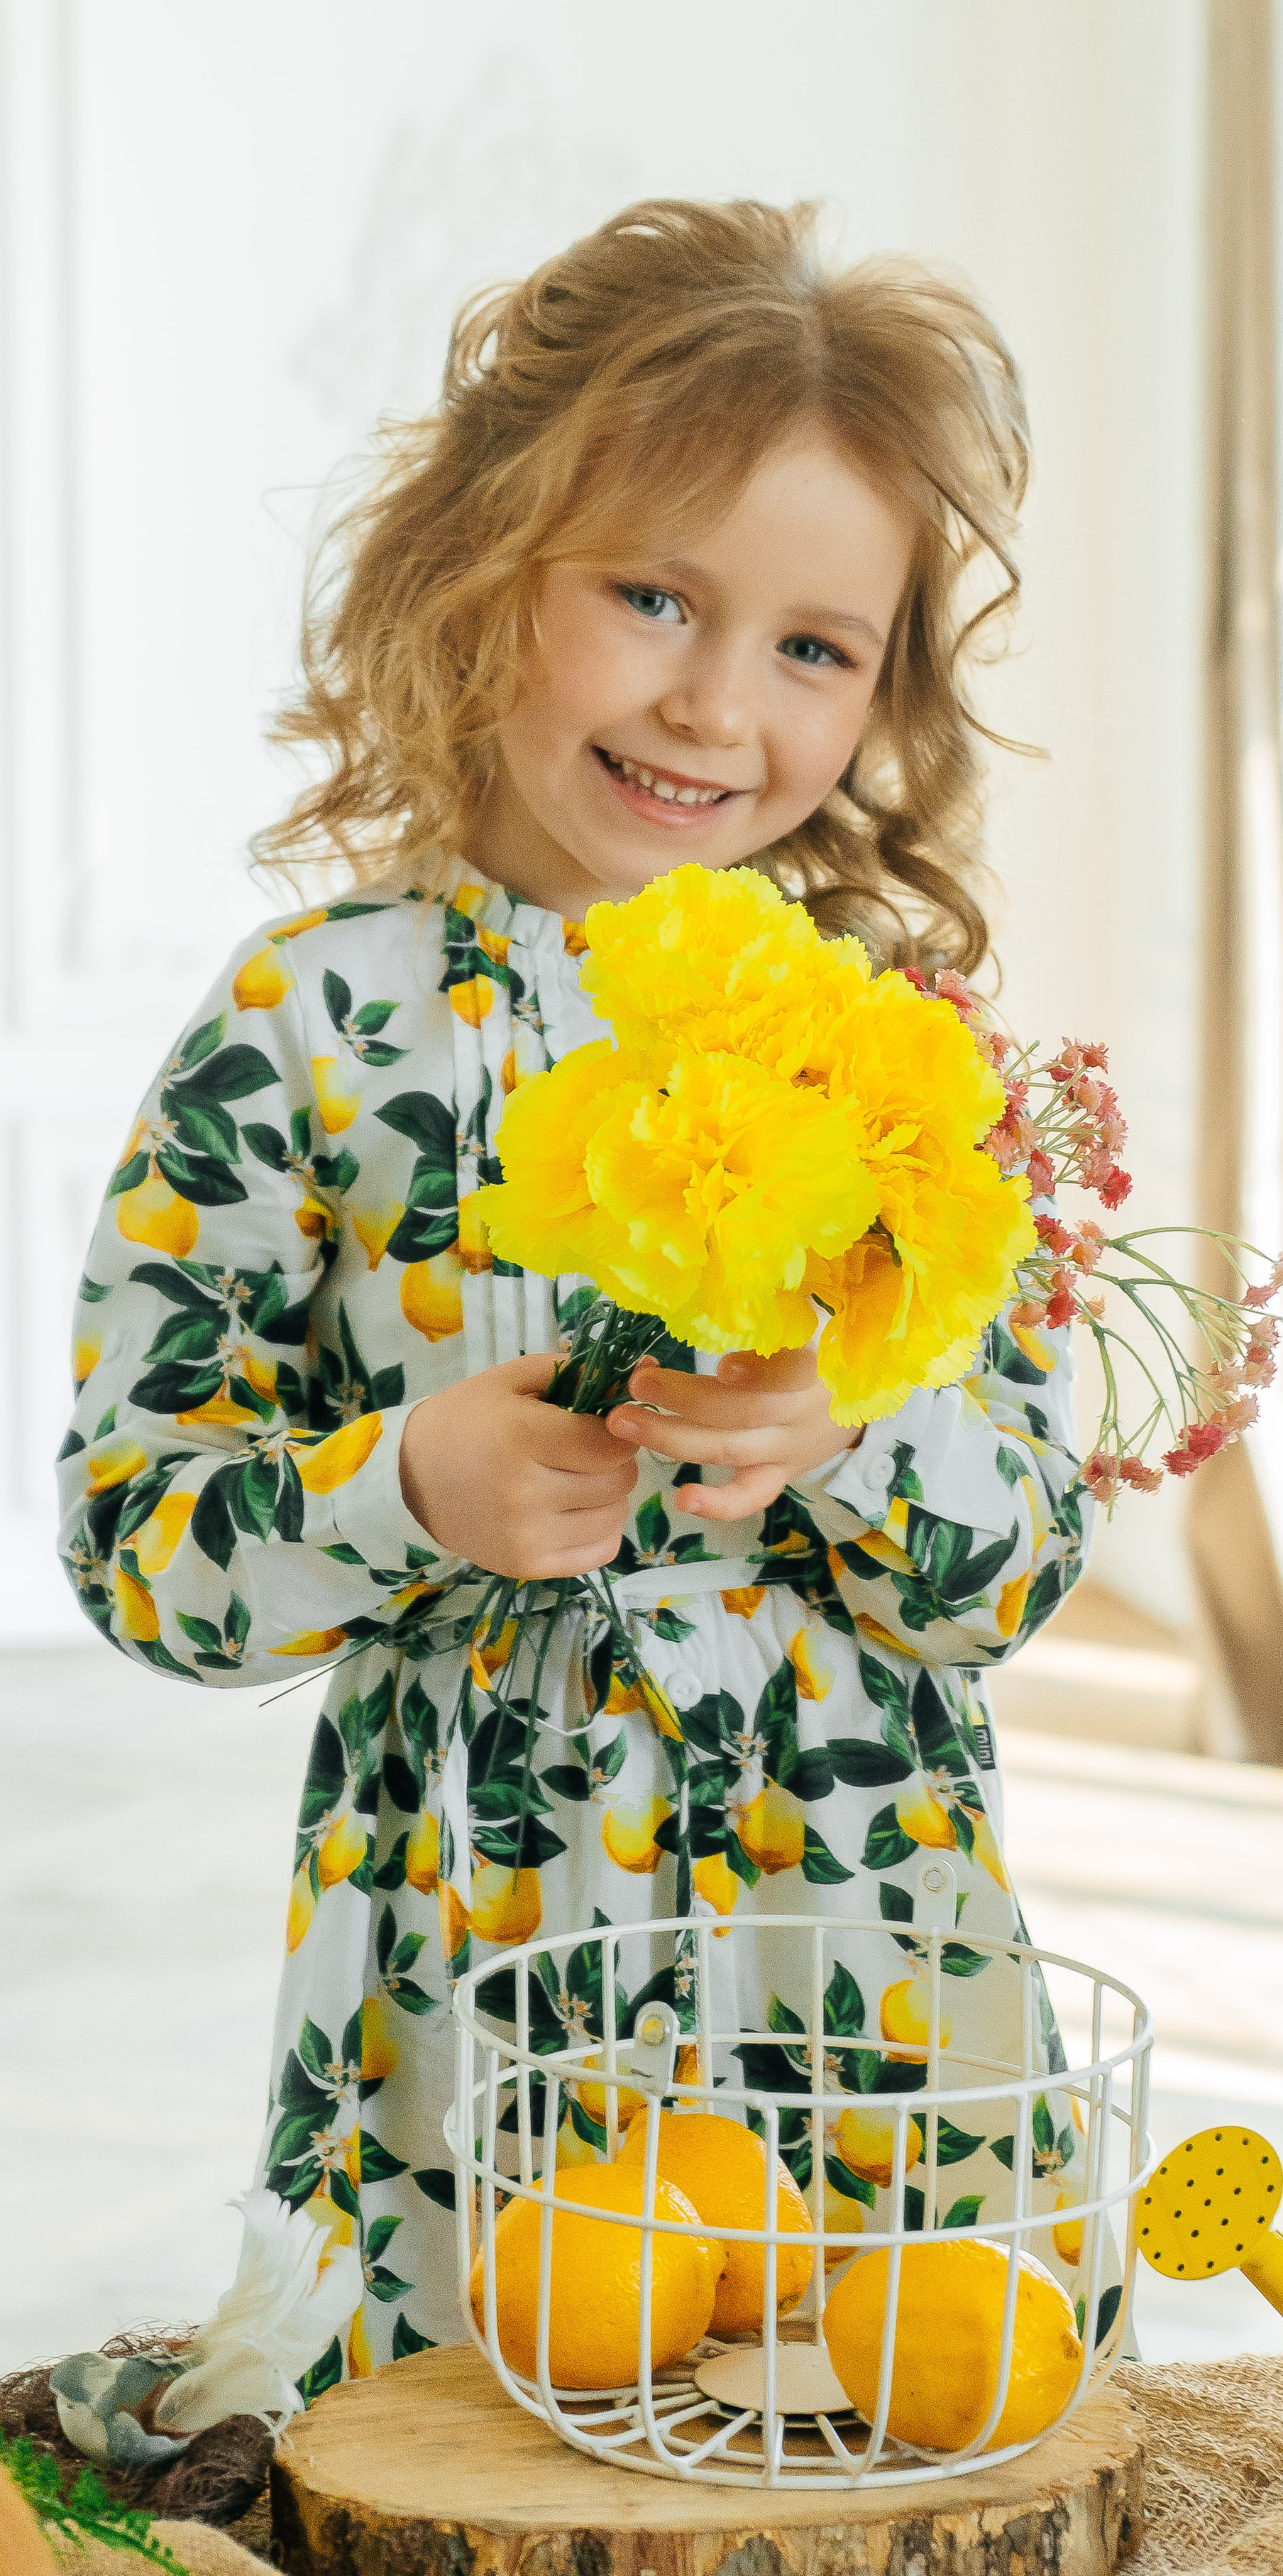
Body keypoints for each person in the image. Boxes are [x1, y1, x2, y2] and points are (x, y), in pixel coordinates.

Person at [55, 199, 1101, 2382]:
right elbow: (141, 1544)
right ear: (478, 565)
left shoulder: (887, 1037)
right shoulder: (310, 1030)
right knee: (494, 2448)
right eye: (652, 597)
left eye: (817, 647)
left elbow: (1018, 1552)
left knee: (891, 2440)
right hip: (478, 1985)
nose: (718, 703)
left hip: (865, 1960)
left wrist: (863, 1422)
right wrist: (402, 1485)